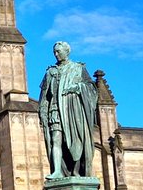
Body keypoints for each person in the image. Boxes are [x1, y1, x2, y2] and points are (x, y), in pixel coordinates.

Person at [37, 40, 98, 179]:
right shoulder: (50, 72)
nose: (56, 54)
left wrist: (77, 88)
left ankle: (77, 172)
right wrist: (42, 112)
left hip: (73, 112)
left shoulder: (78, 68)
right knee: (55, 139)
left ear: (67, 51)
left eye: (58, 51)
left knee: (76, 143)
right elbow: (44, 95)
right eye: (54, 52)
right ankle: (57, 171)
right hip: (55, 110)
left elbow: (92, 90)